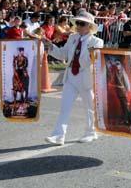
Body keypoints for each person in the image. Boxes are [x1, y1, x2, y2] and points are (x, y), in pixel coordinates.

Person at [44, 11, 104, 146]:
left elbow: (88, 62)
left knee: (89, 107)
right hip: (71, 75)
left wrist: (86, 53)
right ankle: (59, 135)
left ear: (89, 26)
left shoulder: (97, 41)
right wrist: (50, 46)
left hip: (85, 77)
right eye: (77, 23)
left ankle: (91, 132)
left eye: (81, 23)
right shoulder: (72, 38)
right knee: (65, 107)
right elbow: (63, 54)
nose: (78, 26)